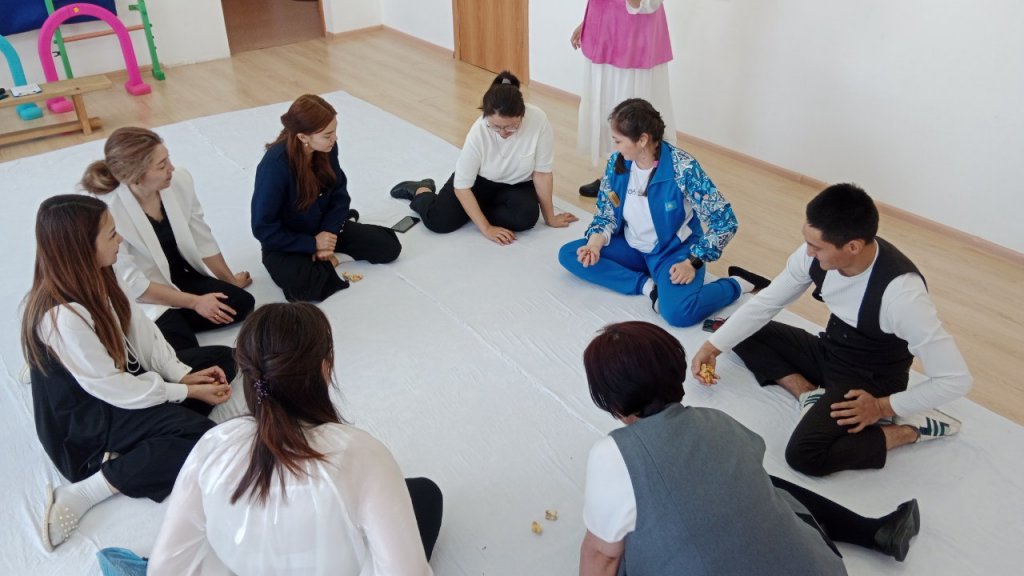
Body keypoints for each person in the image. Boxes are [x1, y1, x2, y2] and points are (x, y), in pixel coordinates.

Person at [578, 321, 922, 575]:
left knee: (624, 547)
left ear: (611, 400)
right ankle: (872, 532)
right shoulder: (719, 422)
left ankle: (874, 532)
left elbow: (601, 556)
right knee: (762, 486)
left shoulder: (613, 455)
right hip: (822, 569)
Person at [690, 184, 971, 477]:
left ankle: (910, 430)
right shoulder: (814, 254)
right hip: (830, 351)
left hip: (869, 379)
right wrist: (712, 347)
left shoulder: (903, 296)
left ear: (853, 247)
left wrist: (881, 406)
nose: (808, 252)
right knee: (737, 330)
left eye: (817, 247)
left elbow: (955, 380)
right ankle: (808, 393)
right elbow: (767, 303)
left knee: (805, 455)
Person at [149, 303, 442, 575]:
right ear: (325, 368)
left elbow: (165, 567)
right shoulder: (363, 455)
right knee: (424, 495)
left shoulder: (213, 445)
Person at [21, 195, 234, 551]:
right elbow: (116, 389)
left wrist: (181, 375)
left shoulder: (104, 268)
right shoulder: (63, 317)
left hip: (119, 377)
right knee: (200, 438)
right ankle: (87, 490)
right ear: (82, 248)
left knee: (223, 360)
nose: (120, 239)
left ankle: (144, 441)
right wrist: (185, 392)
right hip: (87, 419)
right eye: (111, 234)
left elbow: (141, 330)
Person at [558, 98, 757, 328]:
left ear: (642, 140)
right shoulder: (617, 163)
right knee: (570, 254)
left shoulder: (683, 168)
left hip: (672, 254)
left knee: (679, 313)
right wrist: (594, 244)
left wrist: (692, 262)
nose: (615, 148)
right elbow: (606, 213)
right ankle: (648, 286)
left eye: (618, 141)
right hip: (632, 248)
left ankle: (737, 284)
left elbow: (725, 221)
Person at [82, 127, 255, 352]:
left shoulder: (179, 180)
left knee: (241, 303)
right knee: (182, 345)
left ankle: (171, 320)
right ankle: (155, 324)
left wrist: (229, 280)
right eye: (162, 165)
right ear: (136, 176)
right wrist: (195, 302)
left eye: (168, 159)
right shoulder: (108, 210)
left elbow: (201, 236)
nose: (171, 168)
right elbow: (133, 283)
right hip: (143, 293)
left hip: (180, 275)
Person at [389, 71, 577, 245]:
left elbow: (542, 173)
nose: (503, 132)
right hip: (477, 184)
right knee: (438, 222)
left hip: (516, 184)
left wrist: (550, 218)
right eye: (496, 127)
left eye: (511, 127)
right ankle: (421, 190)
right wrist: (486, 228)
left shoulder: (538, 120)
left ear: (522, 114)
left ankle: (471, 210)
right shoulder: (478, 131)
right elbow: (462, 187)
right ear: (486, 116)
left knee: (526, 218)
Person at [252, 94, 402, 301]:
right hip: (287, 241)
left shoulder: (327, 148)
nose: (335, 139)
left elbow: (340, 195)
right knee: (304, 287)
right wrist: (312, 244)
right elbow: (263, 228)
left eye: (335, 131)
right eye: (327, 135)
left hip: (323, 227)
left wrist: (328, 234)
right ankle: (324, 262)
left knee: (388, 247)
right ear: (303, 137)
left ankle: (331, 259)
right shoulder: (274, 167)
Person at [571, 0, 676, 197]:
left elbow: (647, 4)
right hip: (604, 32)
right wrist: (588, 21)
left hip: (634, 41)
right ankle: (615, 174)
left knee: (633, 114)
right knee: (608, 109)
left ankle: (644, 179)